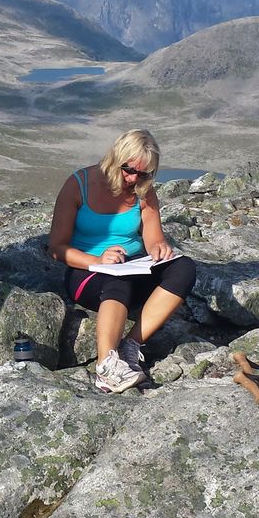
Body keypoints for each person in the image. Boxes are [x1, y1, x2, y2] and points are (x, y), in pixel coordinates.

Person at [47, 129, 197, 393]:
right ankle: (107, 367)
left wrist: (160, 249)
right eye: (128, 170)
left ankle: (130, 345)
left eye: (144, 174)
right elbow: (57, 249)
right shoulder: (78, 184)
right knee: (119, 282)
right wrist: (98, 259)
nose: (133, 179)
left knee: (184, 268)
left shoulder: (143, 191)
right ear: (114, 158)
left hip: (132, 266)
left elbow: (153, 241)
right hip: (87, 271)